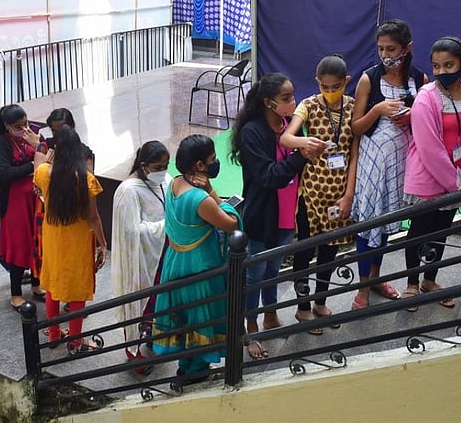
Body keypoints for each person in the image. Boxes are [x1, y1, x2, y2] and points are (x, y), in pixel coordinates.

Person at [402, 37, 461, 311]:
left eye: (448, 65)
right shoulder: (426, 98)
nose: (441, 72)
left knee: (441, 231)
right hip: (428, 176)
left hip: (458, 177)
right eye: (436, 66)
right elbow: (429, 148)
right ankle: (411, 284)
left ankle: (430, 280)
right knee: (419, 231)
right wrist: (455, 183)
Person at [350, 19, 428, 309]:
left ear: (407, 48)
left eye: (391, 48)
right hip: (372, 164)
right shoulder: (368, 79)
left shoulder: (419, 79)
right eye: (381, 48)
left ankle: (376, 277)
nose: (385, 54)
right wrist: (378, 110)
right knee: (368, 224)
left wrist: (411, 117)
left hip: (401, 163)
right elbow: (355, 127)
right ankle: (363, 287)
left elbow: (426, 121)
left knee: (383, 226)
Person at [230, 72, 308, 359]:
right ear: (268, 102)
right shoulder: (253, 132)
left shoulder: (290, 126)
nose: (292, 102)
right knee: (255, 273)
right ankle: (249, 326)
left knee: (273, 269)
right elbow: (268, 176)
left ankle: (270, 314)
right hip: (262, 217)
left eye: (293, 95)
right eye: (286, 98)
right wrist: (301, 155)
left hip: (288, 214)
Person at [151, 134, 240, 382]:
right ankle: (195, 375)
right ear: (200, 165)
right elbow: (231, 223)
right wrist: (211, 191)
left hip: (175, 263)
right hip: (199, 268)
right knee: (201, 319)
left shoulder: (174, 183)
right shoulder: (200, 199)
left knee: (185, 320)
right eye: (212, 159)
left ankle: (185, 370)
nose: (215, 162)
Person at [280, 55, 357, 335]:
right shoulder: (309, 105)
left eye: (336, 86)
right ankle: (302, 307)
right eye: (325, 86)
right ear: (317, 83)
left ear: (346, 82)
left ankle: (320, 302)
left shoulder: (353, 107)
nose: (330, 91)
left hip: (339, 194)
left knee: (330, 250)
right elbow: (286, 137)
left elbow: (354, 153)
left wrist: (349, 194)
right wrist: (304, 141)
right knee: (304, 251)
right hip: (311, 193)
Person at [33, 125, 107, 350]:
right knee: (78, 288)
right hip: (78, 241)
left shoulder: (43, 173)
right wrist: (102, 244)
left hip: (53, 238)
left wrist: (49, 157)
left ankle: (54, 334)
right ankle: (75, 340)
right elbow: (93, 217)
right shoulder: (86, 179)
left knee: (53, 285)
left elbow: (39, 181)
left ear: (55, 149)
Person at [111, 140, 170, 365]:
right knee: (139, 303)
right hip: (140, 259)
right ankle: (133, 354)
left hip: (164, 255)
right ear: (144, 166)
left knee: (158, 301)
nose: (162, 171)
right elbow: (130, 231)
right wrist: (167, 226)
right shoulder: (128, 190)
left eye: (165, 166)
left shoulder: (165, 180)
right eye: (158, 168)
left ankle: (154, 336)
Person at [0, 104, 46, 309]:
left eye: (25, 123)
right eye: (18, 126)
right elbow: (5, 173)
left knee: (37, 241)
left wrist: (38, 146)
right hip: (16, 203)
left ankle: (36, 284)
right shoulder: (1, 143)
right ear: (7, 126)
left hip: (36, 198)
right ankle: (15, 293)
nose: (23, 129)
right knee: (19, 244)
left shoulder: (34, 136)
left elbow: (49, 158)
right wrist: (33, 163)